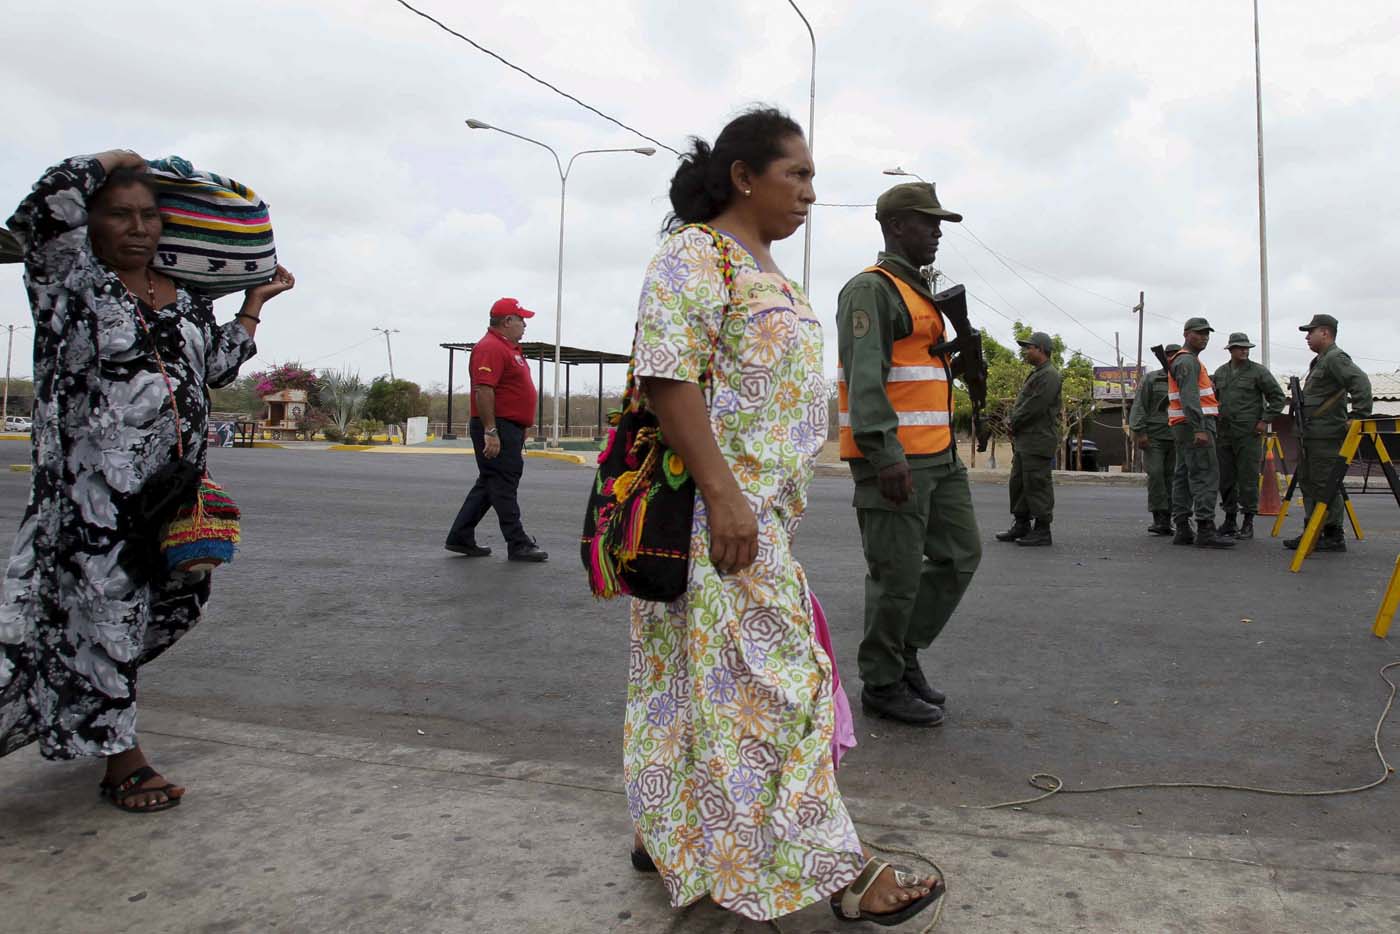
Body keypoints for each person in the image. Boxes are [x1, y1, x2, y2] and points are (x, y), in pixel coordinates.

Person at [625, 108, 942, 927]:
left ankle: (671, 831)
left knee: (694, 690)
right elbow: (669, 377)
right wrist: (725, 496)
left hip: (760, 520)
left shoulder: (768, 270)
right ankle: (842, 868)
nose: (810, 192)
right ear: (743, 176)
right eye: (795, 174)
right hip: (717, 524)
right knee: (788, 693)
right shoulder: (696, 253)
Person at [0, 150, 294, 811]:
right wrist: (110, 161)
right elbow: (44, 209)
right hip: (90, 497)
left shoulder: (183, 297)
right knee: (105, 618)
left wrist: (253, 304)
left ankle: (67, 707)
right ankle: (122, 762)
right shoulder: (70, 286)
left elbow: (214, 368)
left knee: (173, 607)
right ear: (91, 225)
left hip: (170, 496)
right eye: (118, 214)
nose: (136, 228)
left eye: (148, 216)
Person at [835, 181, 982, 727]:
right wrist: (883, 454)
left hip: (939, 457)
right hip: (897, 459)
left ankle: (903, 654)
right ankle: (881, 682)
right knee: (895, 576)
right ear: (896, 226)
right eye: (928, 222)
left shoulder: (917, 291)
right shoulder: (871, 291)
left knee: (960, 555)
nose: (938, 233)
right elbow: (865, 376)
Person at [443, 298, 548, 562]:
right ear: (507, 321)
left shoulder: (508, 347)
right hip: (496, 425)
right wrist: (491, 430)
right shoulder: (489, 347)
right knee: (503, 483)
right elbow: (484, 389)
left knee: (491, 482)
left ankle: (460, 536)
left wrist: (521, 425)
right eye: (521, 319)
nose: (525, 325)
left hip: (508, 426)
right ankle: (518, 542)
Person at [1285, 314, 1372, 553]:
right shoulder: (1320, 361)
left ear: (1325, 332)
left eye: (1310, 332)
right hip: (1312, 435)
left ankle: (1332, 534)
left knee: (1325, 483)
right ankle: (1314, 530)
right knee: (1310, 483)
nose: (1307, 337)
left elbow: (1361, 382)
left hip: (1326, 435)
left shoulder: (1335, 358)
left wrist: (1358, 415)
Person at [1167, 318, 1234, 548]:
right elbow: (1190, 397)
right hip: (1195, 425)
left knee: (1184, 475)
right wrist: (1200, 428)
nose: (1204, 337)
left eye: (1207, 333)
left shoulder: (1186, 360)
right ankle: (1205, 528)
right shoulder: (1188, 361)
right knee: (1205, 474)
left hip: (1183, 425)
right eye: (1199, 333)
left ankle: (1183, 527)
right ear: (1186, 334)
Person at [1212, 332, 1285, 539]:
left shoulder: (1258, 372)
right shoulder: (1221, 372)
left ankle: (1248, 522)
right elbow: (1214, 399)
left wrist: (1264, 420)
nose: (1244, 350)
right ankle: (1229, 520)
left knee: (1248, 478)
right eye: (1240, 347)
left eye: (1247, 347)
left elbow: (1277, 398)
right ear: (1231, 350)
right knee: (1226, 479)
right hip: (1225, 433)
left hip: (1248, 433)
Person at [996, 331, 1062, 547]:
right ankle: (1021, 524)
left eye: (1030, 347)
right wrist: (1013, 423)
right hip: (1027, 439)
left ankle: (1043, 529)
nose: (1026, 351)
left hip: (1038, 439)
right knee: (1019, 483)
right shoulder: (1038, 373)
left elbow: (1035, 406)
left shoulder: (1049, 375)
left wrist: (1013, 421)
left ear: (1041, 349)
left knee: (1037, 483)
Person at [1129, 343, 1181, 535]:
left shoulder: (1185, 378)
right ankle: (1159, 518)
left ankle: (1171, 518)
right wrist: (1140, 432)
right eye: (1169, 355)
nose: (1173, 358)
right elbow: (1140, 405)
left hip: (1178, 436)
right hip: (1155, 437)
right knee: (1156, 476)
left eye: (1176, 355)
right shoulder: (1152, 378)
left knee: (1174, 479)